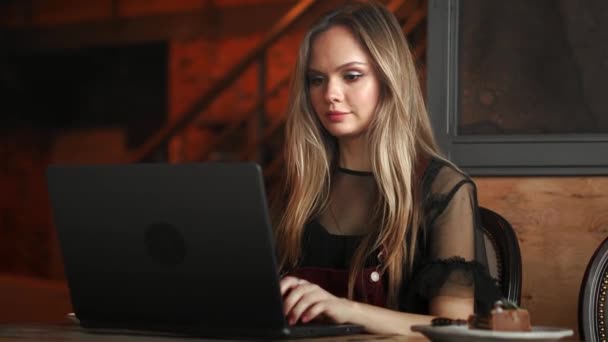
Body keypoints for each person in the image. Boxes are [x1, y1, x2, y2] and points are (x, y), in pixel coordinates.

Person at [271, 0, 501, 336]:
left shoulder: (442, 188)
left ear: (388, 78)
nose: (330, 94)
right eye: (316, 80)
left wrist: (345, 309)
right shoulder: (300, 188)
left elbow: (456, 329)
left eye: (351, 76)